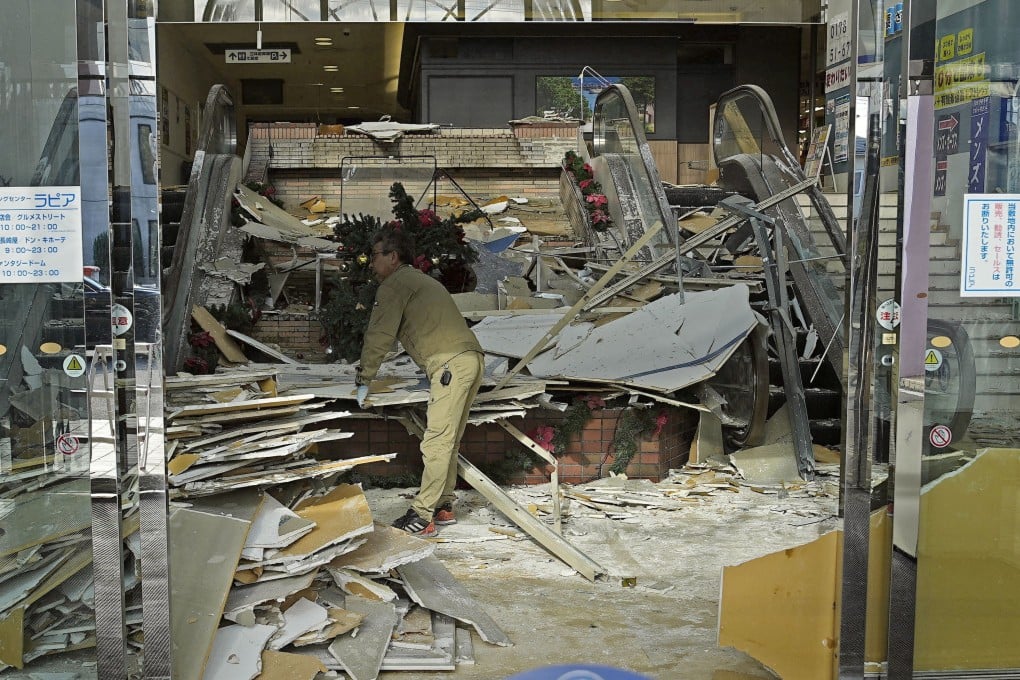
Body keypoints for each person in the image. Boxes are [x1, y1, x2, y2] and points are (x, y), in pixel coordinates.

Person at [356, 225, 484, 537]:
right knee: (448, 439)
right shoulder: (421, 280)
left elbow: (379, 335)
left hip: (450, 365)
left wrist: (363, 378)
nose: (371, 264)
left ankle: (422, 513)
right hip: (470, 359)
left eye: (375, 256)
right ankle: (443, 505)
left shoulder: (395, 284)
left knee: (437, 440)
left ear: (393, 256)